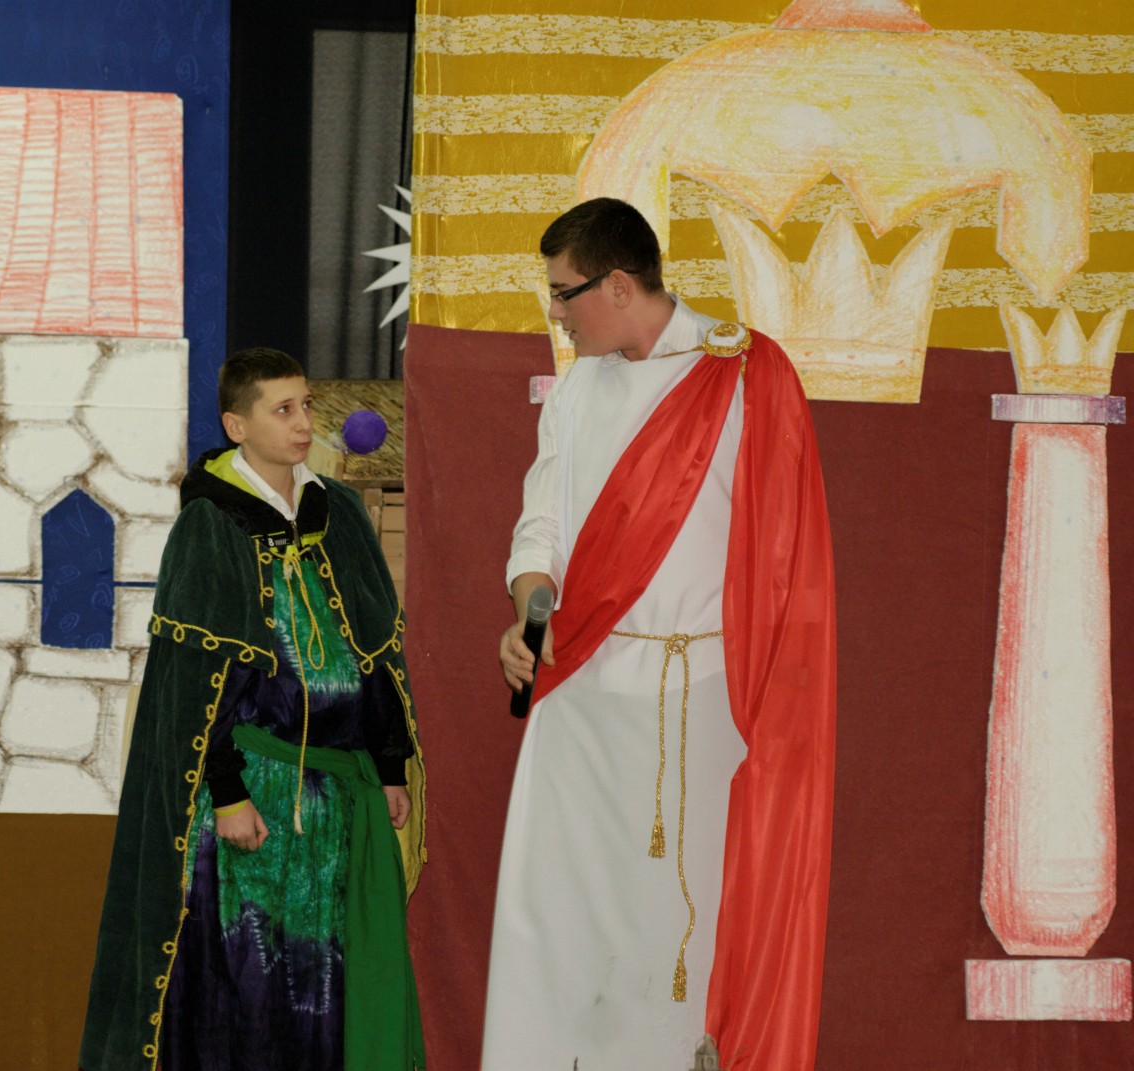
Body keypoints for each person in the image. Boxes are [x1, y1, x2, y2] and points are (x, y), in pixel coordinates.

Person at [483, 198, 836, 1071]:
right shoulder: (577, 390)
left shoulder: (743, 373)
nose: (555, 312)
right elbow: (541, 526)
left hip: (704, 698)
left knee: (685, 915)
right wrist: (531, 605)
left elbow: (785, 553)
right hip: (584, 695)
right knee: (556, 913)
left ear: (618, 284)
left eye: (564, 292)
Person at [80, 347, 426, 1071]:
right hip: (251, 803)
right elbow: (194, 687)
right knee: (247, 986)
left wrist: (389, 763)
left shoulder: (339, 514)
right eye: (283, 409)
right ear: (238, 426)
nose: (304, 423)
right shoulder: (210, 527)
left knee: (324, 990)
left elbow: (375, 653)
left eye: (307, 406)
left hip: (335, 802)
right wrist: (229, 794)